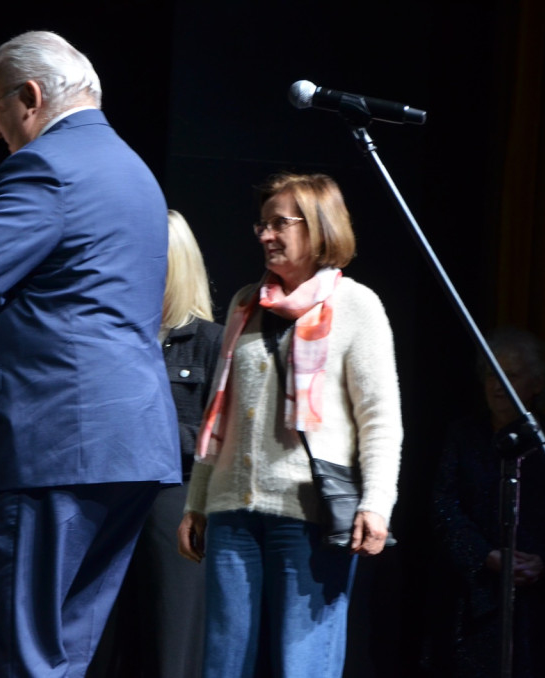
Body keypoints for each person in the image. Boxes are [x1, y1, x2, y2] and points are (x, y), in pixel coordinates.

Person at [0, 31, 180, 678]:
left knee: (19, 654)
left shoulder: (48, 165)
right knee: (63, 655)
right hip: (129, 447)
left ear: (29, 97)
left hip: (50, 446)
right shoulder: (136, 173)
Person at [177, 172, 403, 678]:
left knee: (302, 665)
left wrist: (376, 503)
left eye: (280, 223)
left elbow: (381, 419)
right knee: (224, 664)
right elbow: (223, 412)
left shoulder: (356, 306)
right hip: (232, 513)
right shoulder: (245, 304)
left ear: (319, 228)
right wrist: (197, 504)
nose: (265, 235)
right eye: (262, 224)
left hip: (309, 517)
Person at [89, 210, 223, 678]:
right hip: (107, 505)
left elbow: (216, 438)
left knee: (169, 645)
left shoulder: (210, 342)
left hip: (174, 504)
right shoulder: (112, 338)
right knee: (99, 643)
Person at [429, 328, 545, 677]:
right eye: (492, 373)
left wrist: (543, 562)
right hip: (474, 594)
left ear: (537, 383)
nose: (498, 385)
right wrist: (486, 556)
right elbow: (443, 506)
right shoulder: (463, 435)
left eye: (511, 375)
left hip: (539, 598)